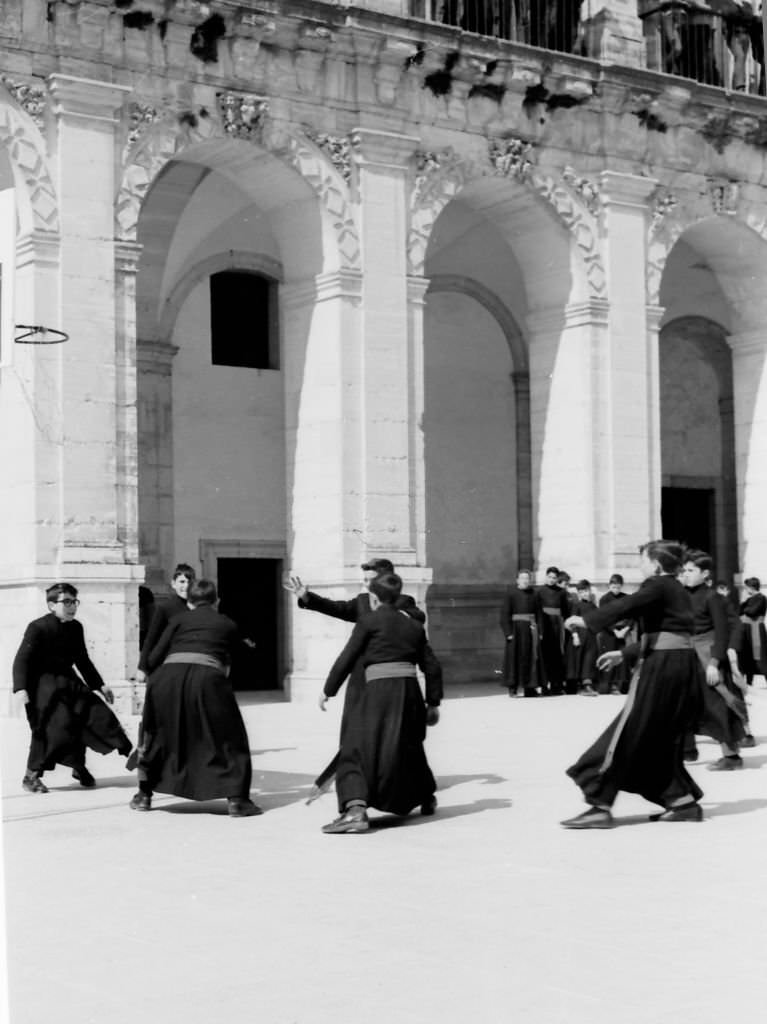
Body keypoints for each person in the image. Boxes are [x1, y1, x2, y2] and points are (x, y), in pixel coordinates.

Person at [561, 540, 704, 829]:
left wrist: (587, 620)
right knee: (657, 735)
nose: (640, 566)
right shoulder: (677, 589)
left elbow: (628, 604)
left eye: (642, 560)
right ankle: (681, 801)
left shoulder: (658, 584)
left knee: (630, 730)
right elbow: (668, 633)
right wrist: (624, 653)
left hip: (662, 667)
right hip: (679, 664)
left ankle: (599, 804)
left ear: (655, 565)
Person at [283, 558, 425, 801]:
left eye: (371, 580)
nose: (367, 585)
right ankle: (357, 777)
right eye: (365, 580)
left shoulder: (403, 602)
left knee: (393, 731)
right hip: (361, 676)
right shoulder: (361, 602)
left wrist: (391, 613)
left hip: (386, 676)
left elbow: (417, 616)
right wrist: (307, 597)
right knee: (355, 728)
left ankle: (389, 778)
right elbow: (336, 608)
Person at [318, 573, 443, 834]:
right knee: (407, 746)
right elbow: (431, 666)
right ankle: (425, 796)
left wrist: (328, 690)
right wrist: (433, 702)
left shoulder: (369, 620)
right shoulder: (413, 626)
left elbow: (347, 657)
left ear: (373, 597)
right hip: (409, 691)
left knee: (355, 747)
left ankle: (355, 810)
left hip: (378, 693)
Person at [130, 579, 260, 818]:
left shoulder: (178, 619)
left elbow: (154, 655)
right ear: (216, 601)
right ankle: (238, 801)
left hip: (167, 680)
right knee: (228, 737)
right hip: (207, 679)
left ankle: (144, 795)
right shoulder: (226, 623)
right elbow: (240, 656)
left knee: (157, 734)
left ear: (189, 602)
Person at [12, 582, 136, 793]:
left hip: (69, 681)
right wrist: (20, 688)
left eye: (74, 602)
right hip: (42, 684)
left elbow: (82, 660)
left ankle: (93, 763)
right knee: (55, 725)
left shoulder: (75, 627)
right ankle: (31, 776)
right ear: (51, 605)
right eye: (66, 602)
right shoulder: (38, 627)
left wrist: (100, 685)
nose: (72, 606)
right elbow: (22, 659)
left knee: (95, 713)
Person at [680, 551, 748, 770]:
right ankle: (687, 749)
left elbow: (721, 632)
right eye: (684, 570)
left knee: (717, 705)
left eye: (691, 570)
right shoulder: (682, 595)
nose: (686, 574)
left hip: (708, 655)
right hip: (689, 654)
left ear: (705, 573)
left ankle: (731, 757)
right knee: (686, 703)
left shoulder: (713, 597)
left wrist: (715, 663)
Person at [136, 563, 196, 682]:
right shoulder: (165, 608)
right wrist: (142, 668)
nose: (186, 586)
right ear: (173, 584)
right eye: (182, 582)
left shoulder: (198, 607)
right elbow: (151, 638)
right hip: (170, 664)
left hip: (193, 665)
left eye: (190, 582)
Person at [499, 569, 544, 697]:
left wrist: (540, 631)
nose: (525, 581)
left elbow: (539, 615)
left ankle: (530, 688)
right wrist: (508, 633)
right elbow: (504, 615)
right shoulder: (510, 594)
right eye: (522, 578)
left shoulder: (535, 594)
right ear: (517, 580)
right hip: (516, 631)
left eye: (527, 578)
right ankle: (512, 688)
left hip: (531, 631)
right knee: (514, 659)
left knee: (531, 658)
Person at [535, 566, 569, 696]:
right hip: (544, 624)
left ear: (557, 579)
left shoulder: (561, 592)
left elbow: (565, 611)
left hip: (558, 626)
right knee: (545, 656)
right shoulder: (539, 591)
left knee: (557, 655)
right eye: (549, 577)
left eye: (554, 578)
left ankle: (557, 685)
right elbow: (537, 610)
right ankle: (544, 685)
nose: (551, 580)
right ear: (546, 577)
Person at [597, 574, 633, 695]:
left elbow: (632, 615)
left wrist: (626, 629)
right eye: (613, 587)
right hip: (609, 632)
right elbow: (603, 617)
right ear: (609, 585)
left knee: (622, 657)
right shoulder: (604, 599)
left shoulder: (626, 598)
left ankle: (620, 685)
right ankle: (607, 684)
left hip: (623, 631)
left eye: (618, 587)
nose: (615, 589)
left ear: (621, 586)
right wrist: (614, 630)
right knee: (609, 656)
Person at [565, 580, 599, 697]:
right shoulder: (577, 605)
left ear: (589, 591)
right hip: (579, 636)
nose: (584, 594)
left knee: (589, 660)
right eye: (581, 592)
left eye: (586, 591)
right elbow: (572, 623)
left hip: (590, 636)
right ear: (579, 593)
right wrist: (575, 635)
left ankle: (587, 684)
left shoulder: (593, 606)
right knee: (578, 660)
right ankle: (576, 685)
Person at [738, 576, 767, 685]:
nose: (746, 590)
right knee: (747, 655)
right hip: (747, 629)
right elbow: (739, 611)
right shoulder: (748, 599)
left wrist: (745, 609)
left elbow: (752, 611)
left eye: (747, 587)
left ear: (751, 587)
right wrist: (744, 604)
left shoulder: (762, 598)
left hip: (756, 629)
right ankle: (748, 681)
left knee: (760, 656)